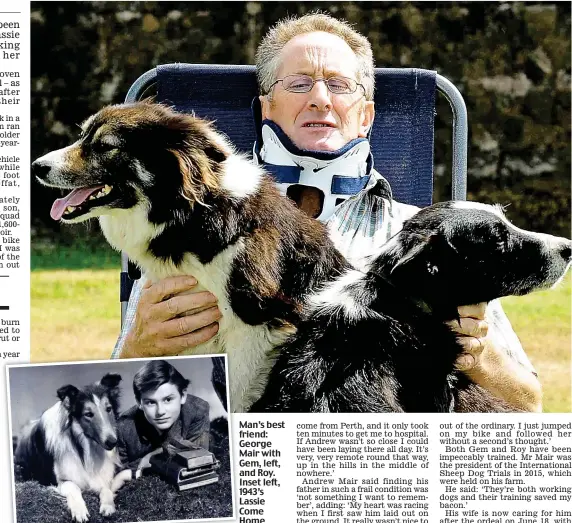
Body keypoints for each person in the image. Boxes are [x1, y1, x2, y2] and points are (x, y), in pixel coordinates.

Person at [113, 13, 541, 412]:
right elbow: (119, 388)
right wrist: (138, 347)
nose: (320, 99)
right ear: (266, 109)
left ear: (366, 116)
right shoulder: (186, 225)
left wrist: (479, 358)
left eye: (339, 85)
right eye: (299, 84)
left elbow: (528, 406)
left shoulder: (427, 238)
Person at [117, 360, 211, 478]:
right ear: (139, 403)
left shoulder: (197, 410)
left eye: (167, 400)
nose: (160, 411)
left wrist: (150, 457)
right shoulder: (124, 427)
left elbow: (197, 457)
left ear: (183, 396)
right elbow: (121, 472)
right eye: (151, 402)